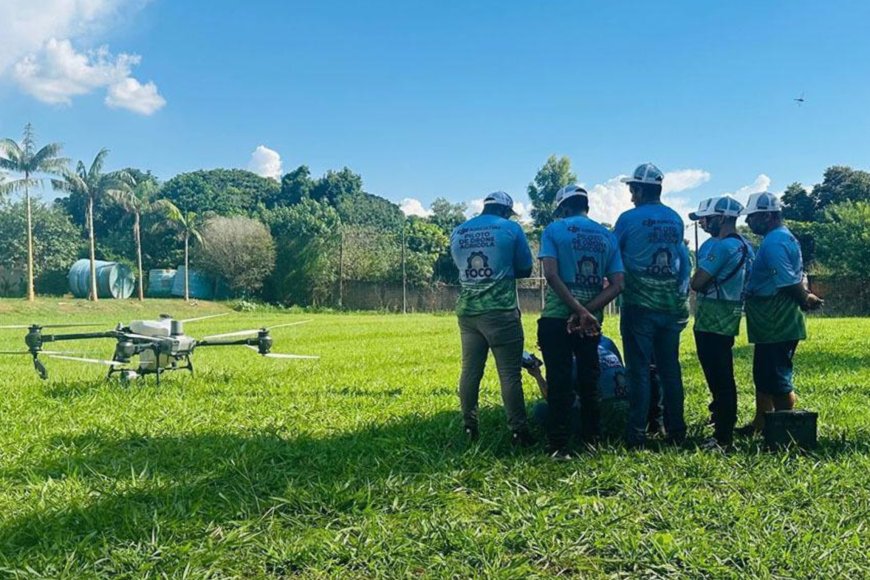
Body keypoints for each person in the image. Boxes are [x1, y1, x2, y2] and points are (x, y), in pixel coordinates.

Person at [537, 184, 624, 458]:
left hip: (556, 318)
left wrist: (576, 310)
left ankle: (559, 444)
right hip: (591, 323)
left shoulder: (554, 230)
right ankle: (592, 440)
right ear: (586, 206)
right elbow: (618, 284)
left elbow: (551, 274)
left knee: (559, 381)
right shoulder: (607, 236)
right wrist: (587, 312)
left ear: (563, 207)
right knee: (589, 380)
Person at [614, 163, 691, 447]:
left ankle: (637, 434)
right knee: (670, 369)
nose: (630, 195)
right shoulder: (675, 219)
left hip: (638, 307)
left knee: (638, 371)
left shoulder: (627, 219)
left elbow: (613, 253)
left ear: (639, 189)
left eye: (632, 189)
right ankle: (676, 431)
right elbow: (682, 260)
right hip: (671, 307)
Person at [449, 191, 535, 445]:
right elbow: (525, 268)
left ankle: (469, 426)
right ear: (505, 211)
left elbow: (460, 267)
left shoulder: (459, 231)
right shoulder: (511, 229)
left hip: (468, 312)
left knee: (470, 371)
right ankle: (519, 431)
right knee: (509, 374)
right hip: (501, 311)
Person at [738, 192, 823, 434]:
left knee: (776, 377)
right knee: (764, 374)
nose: (749, 221)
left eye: (752, 216)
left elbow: (786, 281)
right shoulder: (782, 238)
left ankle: (785, 430)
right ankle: (761, 424)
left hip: (776, 320)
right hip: (769, 322)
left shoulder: (774, 242)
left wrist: (805, 299)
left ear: (767, 215)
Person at [688, 195, 755, 450]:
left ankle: (723, 436)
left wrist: (697, 277)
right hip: (730, 315)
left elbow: (697, 282)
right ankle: (721, 425)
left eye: (707, 218)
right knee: (722, 375)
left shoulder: (722, 247)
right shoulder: (745, 246)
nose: (702, 223)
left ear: (723, 218)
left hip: (712, 319)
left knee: (720, 378)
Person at [525, 336, 663, 439]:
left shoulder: (571, 362)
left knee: (541, 410)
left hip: (601, 422)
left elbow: (555, 399)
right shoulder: (606, 345)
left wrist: (537, 375)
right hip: (630, 418)